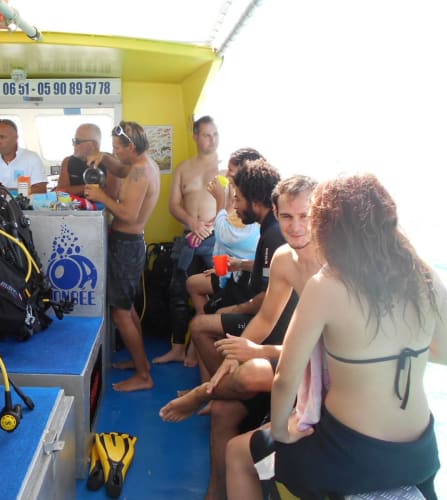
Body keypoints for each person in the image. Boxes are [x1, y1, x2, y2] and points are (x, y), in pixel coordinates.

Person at [225, 174, 447, 500]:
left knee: (238, 454)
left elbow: (285, 379)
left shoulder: (327, 285)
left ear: (327, 226)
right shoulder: (424, 273)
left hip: (350, 458)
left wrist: (282, 431)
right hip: (419, 457)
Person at [160, 175, 320, 499]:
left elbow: (322, 349)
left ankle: (202, 393)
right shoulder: (285, 258)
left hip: (315, 372)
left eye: (306, 216)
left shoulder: (334, 265)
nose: (296, 226)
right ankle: (215, 492)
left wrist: (255, 351)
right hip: (288, 357)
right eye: (287, 216)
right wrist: (232, 359)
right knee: (223, 410)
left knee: (252, 373)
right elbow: (265, 317)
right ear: (276, 210)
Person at [83, 121, 160, 392]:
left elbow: (128, 214)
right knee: (127, 309)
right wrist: (103, 156)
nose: (115, 152)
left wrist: (101, 194)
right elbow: (119, 167)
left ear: (131, 146)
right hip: (128, 244)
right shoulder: (141, 164)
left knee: (120, 314)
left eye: (117, 148)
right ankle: (142, 364)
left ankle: (143, 376)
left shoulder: (141, 173)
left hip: (126, 246)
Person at [183, 148, 263, 362]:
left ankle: (200, 347)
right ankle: (199, 344)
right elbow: (222, 238)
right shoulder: (235, 196)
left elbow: (228, 235)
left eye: (232, 171)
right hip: (230, 270)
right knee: (192, 283)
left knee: (205, 322)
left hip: (243, 280)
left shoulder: (254, 205)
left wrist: (220, 202)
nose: (227, 176)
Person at [154, 116, 221, 366]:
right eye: (206, 135)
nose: (211, 140)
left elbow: (233, 205)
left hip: (216, 239)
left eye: (215, 134)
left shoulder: (225, 167)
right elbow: (173, 205)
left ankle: (204, 349)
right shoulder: (184, 168)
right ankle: (178, 348)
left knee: (218, 292)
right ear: (195, 136)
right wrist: (193, 224)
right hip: (189, 237)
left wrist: (209, 226)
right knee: (178, 294)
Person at [56, 123, 118, 198]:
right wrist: (93, 187)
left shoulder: (110, 161)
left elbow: (111, 194)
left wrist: (74, 190)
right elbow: (60, 192)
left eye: (77, 141)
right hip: (74, 208)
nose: (74, 145)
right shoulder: (67, 162)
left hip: (101, 208)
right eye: (74, 141)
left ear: (93, 144)